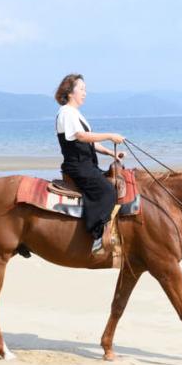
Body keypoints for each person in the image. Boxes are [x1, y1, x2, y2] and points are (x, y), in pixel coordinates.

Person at [54, 74, 126, 254]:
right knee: (106, 191)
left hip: (87, 165)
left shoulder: (76, 114)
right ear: (70, 92)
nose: (85, 93)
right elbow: (81, 136)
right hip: (78, 166)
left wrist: (111, 152)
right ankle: (96, 236)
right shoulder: (66, 112)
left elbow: (90, 142)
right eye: (82, 89)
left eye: (85, 89)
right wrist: (110, 135)